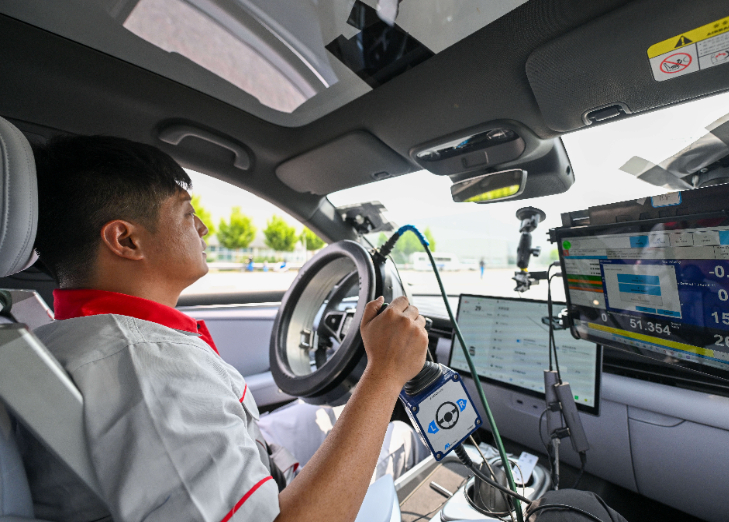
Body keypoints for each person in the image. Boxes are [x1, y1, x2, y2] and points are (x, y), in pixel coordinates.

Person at [22, 135, 429, 522]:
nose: (203, 228)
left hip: (258, 464)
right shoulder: (150, 372)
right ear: (125, 240)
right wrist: (384, 374)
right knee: (402, 436)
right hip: (276, 496)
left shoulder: (72, 337)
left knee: (321, 414)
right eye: (186, 213)